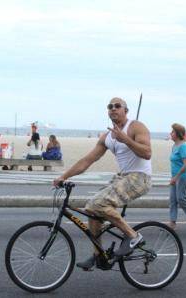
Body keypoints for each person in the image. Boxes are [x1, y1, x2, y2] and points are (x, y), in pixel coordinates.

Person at [53, 97, 152, 270]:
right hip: (122, 177)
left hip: (140, 177)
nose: (113, 109)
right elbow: (88, 160)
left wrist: (126, 139)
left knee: (97, 203)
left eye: (117, 106)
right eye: (110, 106)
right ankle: (99, 255)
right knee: (91, 209)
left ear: (125, 111)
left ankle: (133, 236)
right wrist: (64, 176)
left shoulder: (136, 126)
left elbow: (147, 153)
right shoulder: (107, 137)